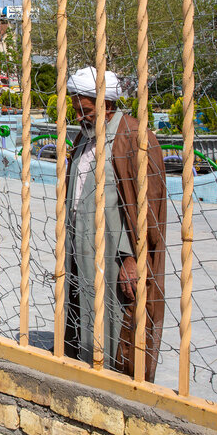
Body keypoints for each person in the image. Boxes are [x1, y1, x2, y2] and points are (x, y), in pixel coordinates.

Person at [63, 66, 167, 381]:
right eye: (77, 111)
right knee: (83, 314)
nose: (81, 117)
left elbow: (149, 207)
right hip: (81, 250)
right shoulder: (84, 137)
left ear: (108, 105)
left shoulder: (135, 138)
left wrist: (133, 257)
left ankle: (114, 382)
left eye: (87, 111)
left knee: (117, 321)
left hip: (116, 257)